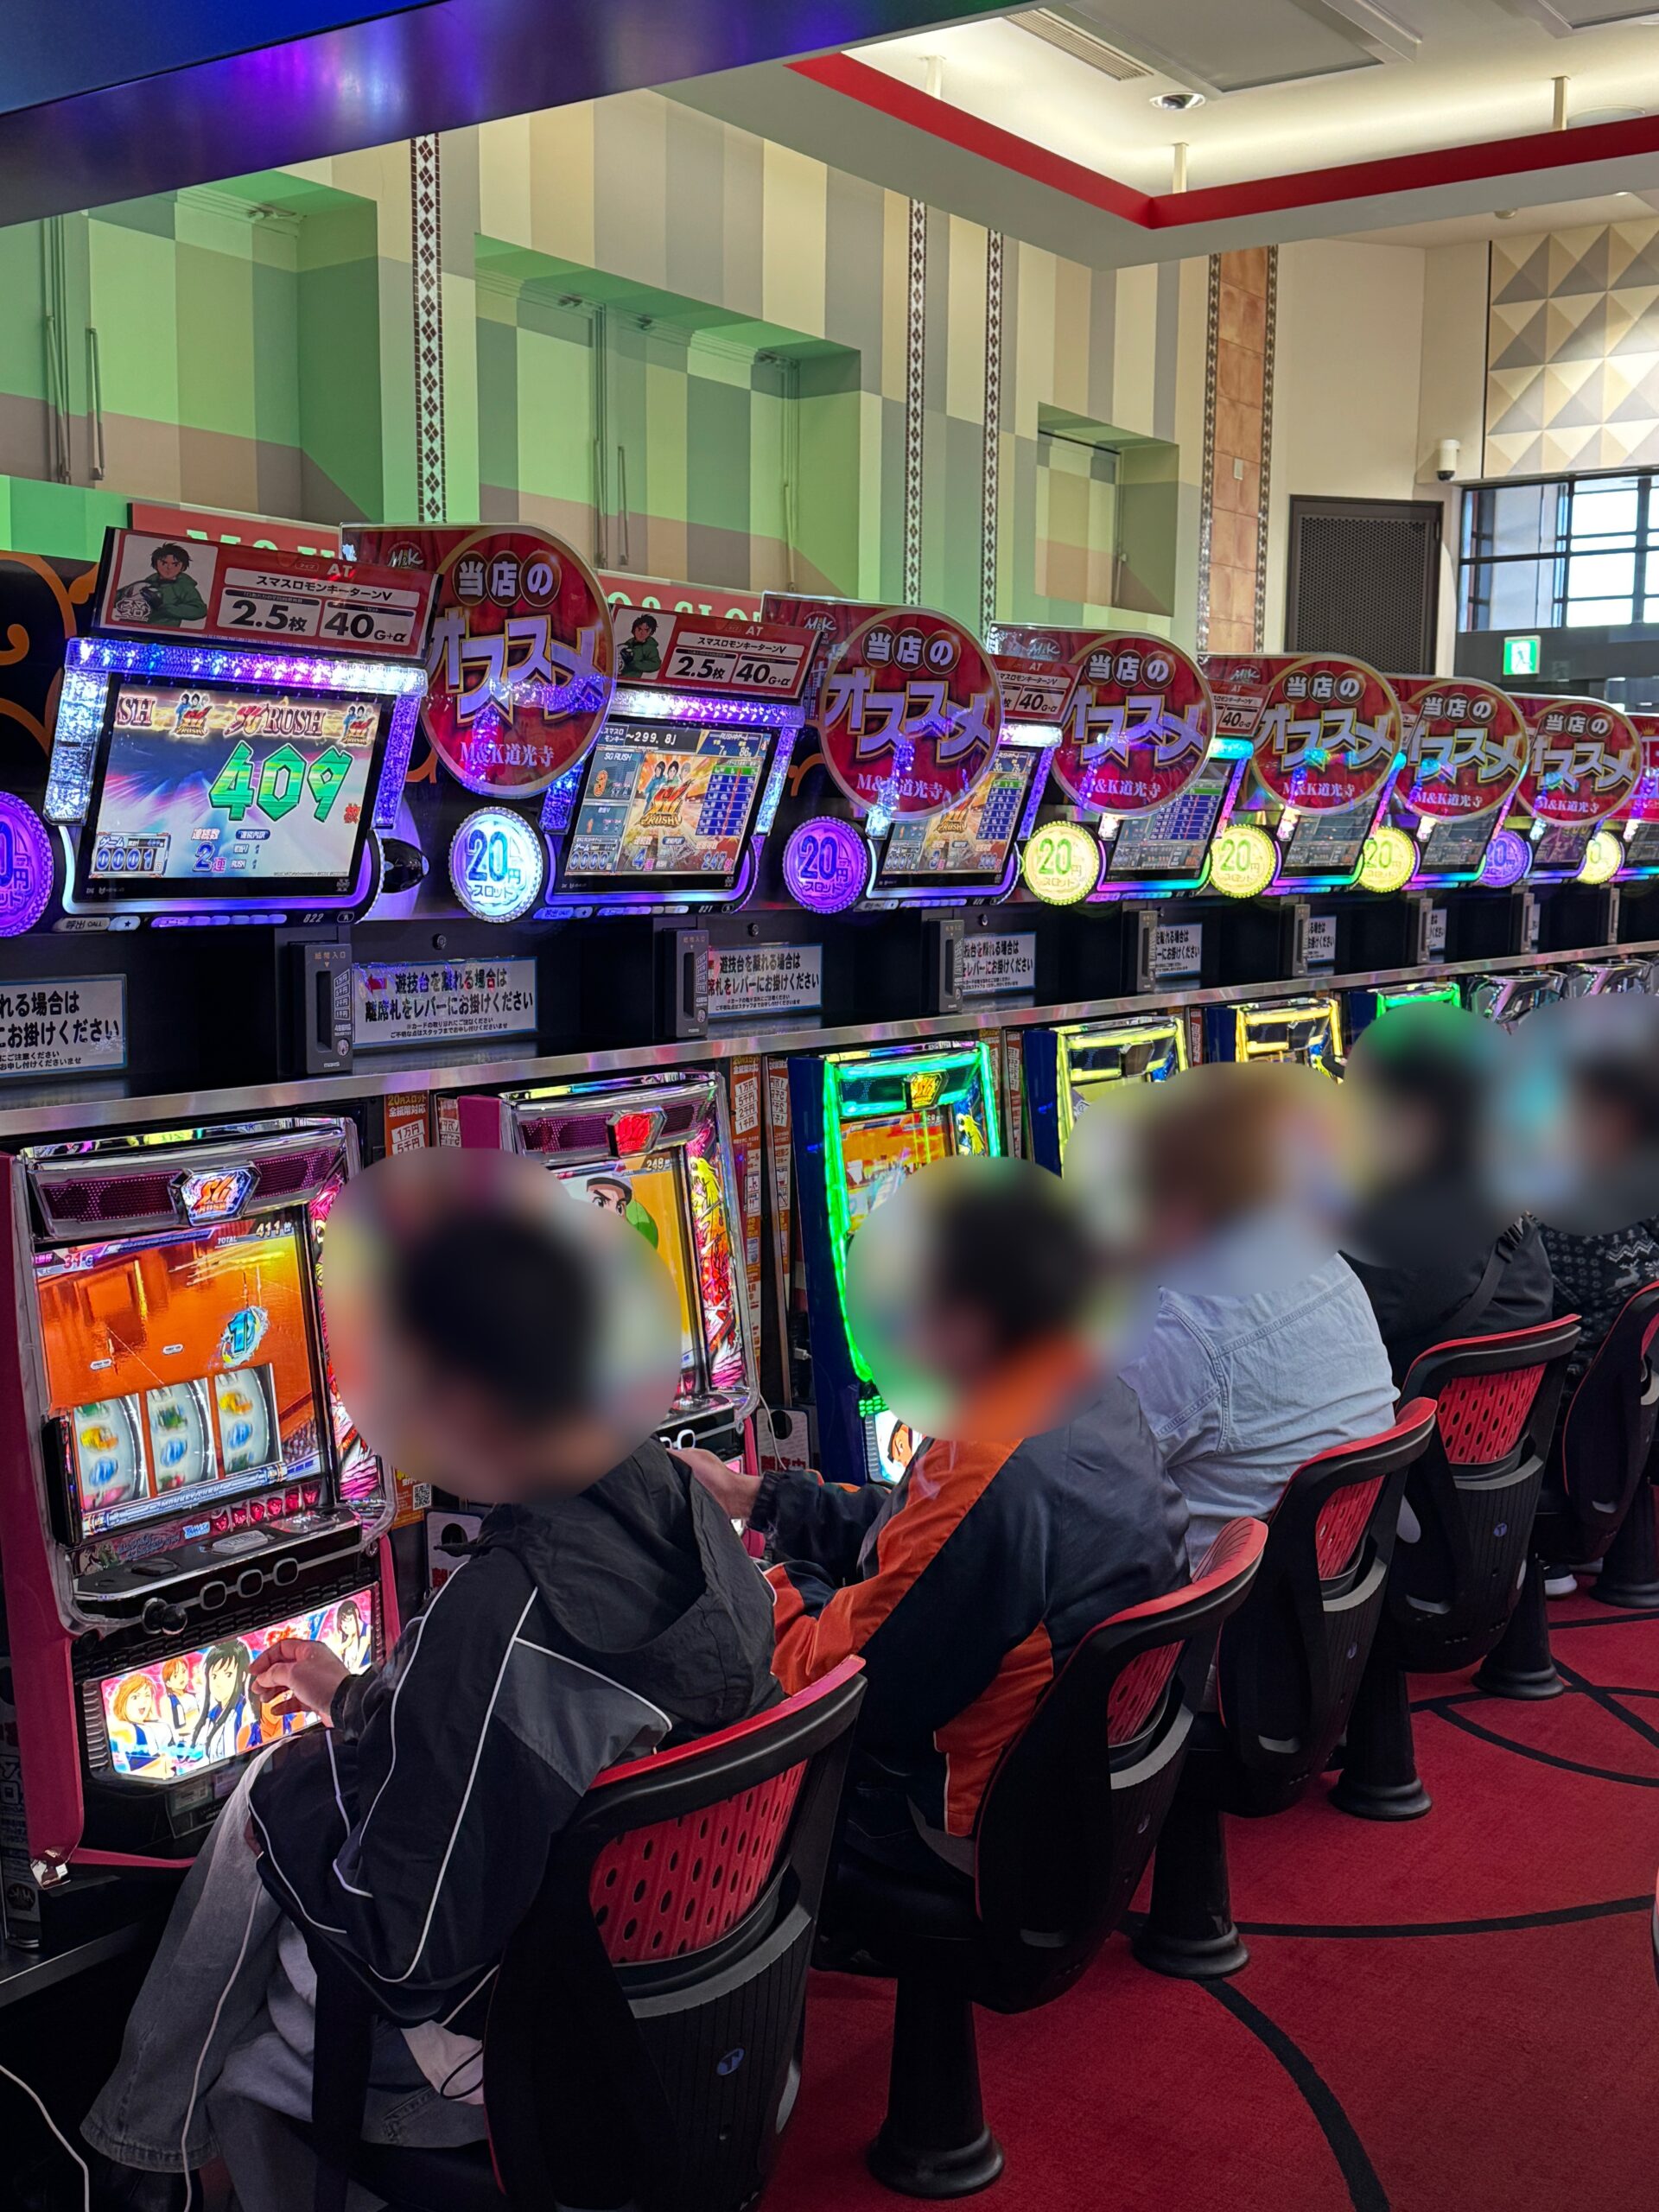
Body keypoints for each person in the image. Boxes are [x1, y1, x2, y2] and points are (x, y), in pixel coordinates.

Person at [59, 1154, 779, 2212]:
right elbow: (506, 1730)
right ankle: (143, 2142)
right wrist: (356, 1703)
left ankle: (140, 2152)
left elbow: (406, 1949)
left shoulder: (501, 1615)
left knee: (258, 1897)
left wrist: (291, 1793)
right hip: (661, 1998)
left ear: (460, 1396)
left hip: (514, 2053)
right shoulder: (694, 1516)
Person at [686, 1159, 1187, 1884]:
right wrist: (755, 1498)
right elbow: (921, 1537)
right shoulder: (1076, 1385)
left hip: (981, 1826)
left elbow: (837, 1687)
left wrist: (739, 1578)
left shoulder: (991, 1467)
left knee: (703, 1687)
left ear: (968, 1322)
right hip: (1083, 1778)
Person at [1105, 1063, 1397, 1568]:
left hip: (1212, 1604)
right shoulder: (1328, 1264)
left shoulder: (1182, 1326)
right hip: (1330, 1580)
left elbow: (1082, 1467)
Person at [1339, 1003, 1554, 1384]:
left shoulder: (1398, 1235)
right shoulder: (1497, 1203)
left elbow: (1319, 1333)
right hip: (1493, 1422)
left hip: (1419, 1418)